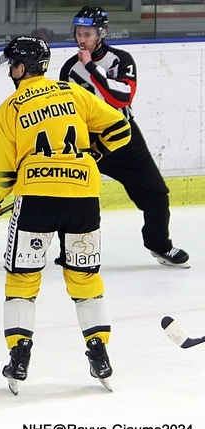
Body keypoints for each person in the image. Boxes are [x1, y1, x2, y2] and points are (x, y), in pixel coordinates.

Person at [0, 35, 132, 395]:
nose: (10, 71)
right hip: (82, 197)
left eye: (12, 64)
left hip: (37, 200)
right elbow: (121, 129)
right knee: (85, 278)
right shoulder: (72, 93)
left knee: (23, 281)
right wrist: (94, 155)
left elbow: (3, 179)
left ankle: (19, 358)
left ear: (22, 67)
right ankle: (100, 352)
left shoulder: (7, 111)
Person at [59, 6, 189, 268]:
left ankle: (159, 244)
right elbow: (68, 111)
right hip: (90, 140)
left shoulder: (121, 60)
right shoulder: (69, 69)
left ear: (101, 33)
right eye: (78, 33)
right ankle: (71, 249)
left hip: (125, 137)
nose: (81, 39)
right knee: (73, 196)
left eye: (87, 33)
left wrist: (92, 68)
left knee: (156, 194)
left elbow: (122, 97)